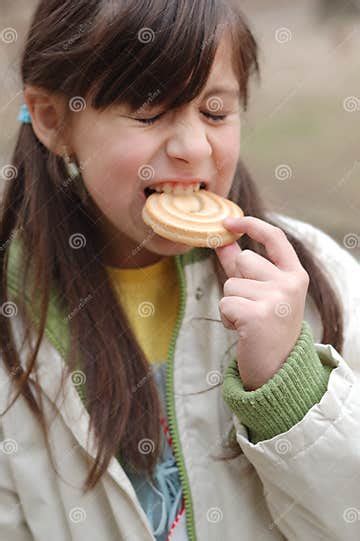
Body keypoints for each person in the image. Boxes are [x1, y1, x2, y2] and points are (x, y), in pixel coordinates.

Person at [1, 1, 360, 540]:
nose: (194, 148)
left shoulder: (315, 280)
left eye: (216, 112)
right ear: (54, 120)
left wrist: (290, 387)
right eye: (148, 113)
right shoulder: (13, 326)